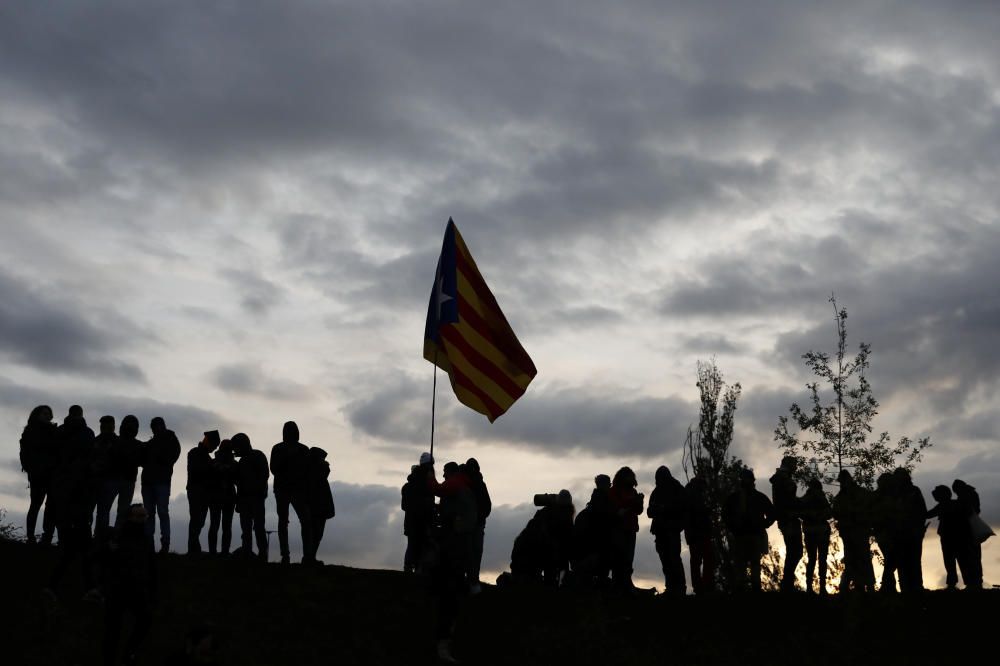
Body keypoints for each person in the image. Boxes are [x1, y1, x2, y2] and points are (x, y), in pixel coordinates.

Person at [46, 405, 98, 598]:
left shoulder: (62, 431)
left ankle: (54, 585)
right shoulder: (85, 433)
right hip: (74, 486)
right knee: (80, 538)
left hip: (68, 485)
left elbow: (54, 452)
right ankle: (87, 587)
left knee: (69, 535)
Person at [427, 460, 474, 663]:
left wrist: (429, 475)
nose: (444, 476)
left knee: (447, 592)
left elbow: (437, 489)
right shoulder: (466, 486)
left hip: (453, 545)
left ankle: (443, 641)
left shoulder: (456, 484)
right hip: (459, 544)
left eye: (445, 473)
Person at [102, 504, 156, 666]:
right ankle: (112, 659)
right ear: (131, 517)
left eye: (144, 516)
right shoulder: (118, 536)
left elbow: (151, 565)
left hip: (136, 589)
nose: (143, 519)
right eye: (140, 516)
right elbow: (102, 559)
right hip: (118, 589)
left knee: (144, 620)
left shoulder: (145, 539)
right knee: (113, 631)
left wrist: (152, 588)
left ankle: (128, 652)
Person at [722, 468, 775, 592]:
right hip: (740, 535)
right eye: (742, 478)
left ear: (751, 480)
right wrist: (733, 528)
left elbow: (772, 513)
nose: (744, 481)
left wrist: (764, 524)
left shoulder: (759, 497)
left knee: (754, 563)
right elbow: (725, 515)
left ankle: (755, 588)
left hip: (755, 535)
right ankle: (741, 588)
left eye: (746, 478)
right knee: (740, 563)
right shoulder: (734, 498)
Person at [270, 421, 313, 564]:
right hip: (285, 489)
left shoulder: (301, 449)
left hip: (295, 490)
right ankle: (287, 555)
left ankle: (305, 555)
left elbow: (308, 471)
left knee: (303, 521)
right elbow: (274, 469)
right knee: (287, 522)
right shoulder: (280, 448)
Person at [510, 490, 575, 585]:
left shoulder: (544, 516)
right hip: (527, 562)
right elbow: (554, 550)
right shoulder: (554, 520)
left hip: (524, 561)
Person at [19, 405, 59, 545]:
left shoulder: (54, 431)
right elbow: (24, 452)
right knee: (36, 505)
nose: (47, 415)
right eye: (44, 413)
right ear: (37, 414)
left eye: (49, 413)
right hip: (38, 474)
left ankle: (47, 536)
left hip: (52, 474)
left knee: (51, 506)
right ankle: (30, 536)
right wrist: (31, 468)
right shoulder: (30, 431)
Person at [141, 416, 181, 553]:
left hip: (160, 482)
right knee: (151, 513)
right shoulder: (153, 443)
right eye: (155, 427)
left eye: (157, 426)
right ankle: (150, 543)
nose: (156, 429)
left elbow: (172, 456)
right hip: (151, 482)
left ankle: (163, 543)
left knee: (160, 512)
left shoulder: (169, 440)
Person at [927, 485, 978, 589]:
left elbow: (927, 515)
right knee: (961, 560)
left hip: (950, 537)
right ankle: (968, 583)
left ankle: (954, 583)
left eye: (937, 495)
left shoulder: (943, 505)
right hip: (959, 537)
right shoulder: (957, 504)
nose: (935, 497)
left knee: (950, 561)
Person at [647, 465, 687, 595]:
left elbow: (682, 507)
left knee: (674, 559)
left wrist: (664, 509)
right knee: (666, 561)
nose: (658, 480)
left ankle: (680, 588)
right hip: (660, 531)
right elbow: (649, 511)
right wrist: (657, 509)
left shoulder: (677, 488)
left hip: (672, 530)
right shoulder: (656, 491)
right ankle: (670, 587)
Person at [833, 469, 875, 592]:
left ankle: (867, 585)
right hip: (850, 532)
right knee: (855, 559)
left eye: (842, 481)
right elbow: (836, 513)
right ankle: (860, 585)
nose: (841, 484)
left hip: (858, 531)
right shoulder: (843, 496)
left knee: (862, 558)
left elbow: (869, 508)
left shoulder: (859, 493)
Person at [231, 433, 269, 560]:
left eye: (236, 447)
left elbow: (264, 476)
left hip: (255, 498)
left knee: (257, 528)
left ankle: (261, 553)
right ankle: (248, 552)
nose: (235, 450)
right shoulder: (245, 460)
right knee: (248, 529)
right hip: (247, 499)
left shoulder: (257, 456)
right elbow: (238, 482)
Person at [571, 474, 615, 582]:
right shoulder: (604, 506)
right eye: (609, 484)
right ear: (604, 485)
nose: (610, 487)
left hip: (585, 555)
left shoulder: (587, 510)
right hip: (595, 553)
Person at [608, 466, 644, 590]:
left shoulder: (632, 492)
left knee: (628, 559)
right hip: (619, 529)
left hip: (631, 529)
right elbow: (615, 508)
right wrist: (632, 503)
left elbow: (638, 511)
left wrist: (639, 502)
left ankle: (626, 583)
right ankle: (618, 584)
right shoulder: (614, 491)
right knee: (618, 558)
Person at [770, 456, 802, 592]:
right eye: (794, 464)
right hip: (788, 519)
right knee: (795, 551)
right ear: (788, 465)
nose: (796, 467)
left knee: (795, 551)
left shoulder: (782, 477)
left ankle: (787, 582)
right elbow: (784, 500)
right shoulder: (781, 478)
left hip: (789, 518)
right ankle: (787, 583)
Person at [186, 430, 221, 555]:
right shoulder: (195, 454)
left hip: (201, 493)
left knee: (198, 521)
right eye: (215, 445)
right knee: (197, 521)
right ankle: (193, 549)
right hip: (196, 492)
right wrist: (213, 465)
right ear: (209, 443)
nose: (215, 448)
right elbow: (198, 471)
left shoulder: (200, 455)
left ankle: (193, 548)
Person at [401, 453, 436, 573]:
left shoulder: (408, 486)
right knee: (417, 545)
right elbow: (406, 505)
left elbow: (404, 506)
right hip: (419, 519)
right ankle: (414, 567)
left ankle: (412, 567)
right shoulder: (426, 483)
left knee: (414, 544)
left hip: (414, 520)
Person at [894, 468, 927, 592]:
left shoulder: (914, 491)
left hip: (912, 531)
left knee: (913, 560)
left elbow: (922, 510)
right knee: (903, 561)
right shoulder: (894, 493)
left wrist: (919, 527)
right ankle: (906, 587)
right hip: (900, 532)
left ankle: (916, 586)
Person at [108, 415, 142, 531]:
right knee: (121, 510)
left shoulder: (115, 441)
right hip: (126, 479)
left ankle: (103, 536)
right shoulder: (139, 445)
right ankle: (115, 537)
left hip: (118, 479)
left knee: (107, 509)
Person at [464, 457, 491, 592]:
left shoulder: (480, 484)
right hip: (469, 525)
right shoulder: (467, 484)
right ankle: (471, 579)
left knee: (475, 551)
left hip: (477, 524)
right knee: (470, 551)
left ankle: (473, 578)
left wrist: (480, 517)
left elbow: (487, 506)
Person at [800, 478, 831, 594]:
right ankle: (813, 587)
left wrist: (818, 516)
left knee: (817, 559)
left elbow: (829, 513)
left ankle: (818, 587)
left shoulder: (817, 498)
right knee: (816, 559)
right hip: (815, 531)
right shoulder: (809, 499)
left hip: (817, 531)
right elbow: (801, 513)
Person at [684, 476, 714, 594]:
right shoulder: (693, 494)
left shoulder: (691, 493)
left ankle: (701, 586)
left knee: (700, 560)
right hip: (698, 533)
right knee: (702, 560)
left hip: (697, 533)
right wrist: (706, 511)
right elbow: (695, 513)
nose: (705, 489)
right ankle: (703, 586)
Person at [207, 439, 237, 555]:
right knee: (224, 526)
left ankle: (214, 552)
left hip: (219, 497)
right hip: (224, 497)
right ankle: (222, 552)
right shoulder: (233, 464)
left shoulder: (213, 462)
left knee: (217, 525)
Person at [306, 446, 335, 564]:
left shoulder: (314, 472)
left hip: (319, 507)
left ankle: (310, 556)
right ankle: (310, 557)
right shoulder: (314, 472)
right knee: (315, 533)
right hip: (317, 507)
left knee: (316, 534)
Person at [91, 415, 118, 543]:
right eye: (103, 425)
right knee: (101, 511)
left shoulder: (98, 441)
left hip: (107, 480)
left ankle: (99, 538)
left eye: (106, 425)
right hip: (99, 479)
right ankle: (99, 538)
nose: (105, 428)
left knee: (102, 511)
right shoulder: (96, 441)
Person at [953, 479, 984, 590]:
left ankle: (973, 582)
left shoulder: (965, 497)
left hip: (968, 531)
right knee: (973, 557)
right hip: (969, 530)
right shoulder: (970, 494)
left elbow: (974, 510)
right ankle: (975, 582)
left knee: (970, 557)